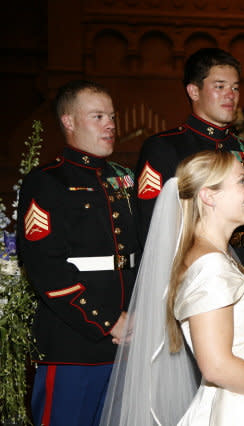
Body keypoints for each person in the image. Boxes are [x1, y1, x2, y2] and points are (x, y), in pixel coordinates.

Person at [100, 151, 244, 426]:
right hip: (240, 411)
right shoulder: (210, 265)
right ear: (209, 196)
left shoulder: (215, 254)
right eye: (242, 181)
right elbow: (217, 366)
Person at [17, 80, 140, 426]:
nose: (111, 124)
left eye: (112, 116)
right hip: (74, 345)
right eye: (98, 116)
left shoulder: (125, 179)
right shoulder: (46, 182)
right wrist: (107, 322)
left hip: (130, 342)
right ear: (69, 122)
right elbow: (46, 268)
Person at [135, 47, 244, 287]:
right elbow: (153, 229)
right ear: (193, 91)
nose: (230, 95)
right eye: (220, 86)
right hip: (193, 278)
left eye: (235, 87)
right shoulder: (165, 148)